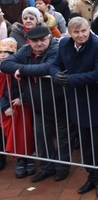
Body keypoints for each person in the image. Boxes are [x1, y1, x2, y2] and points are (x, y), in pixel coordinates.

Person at [51, 17, 98, 198]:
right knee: (84, 144)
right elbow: (54, 64)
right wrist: (56, 76)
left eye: (83, 31)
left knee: (97, 144)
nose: (80, 35)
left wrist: (70, 80)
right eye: (76, 32)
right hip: (76, 100)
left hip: (95, 100)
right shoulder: (64, 45)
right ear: (70, 33)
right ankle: (91, 176)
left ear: (88, 30)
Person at [0, 26, 66, 182]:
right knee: (42, 137)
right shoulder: (25, 50)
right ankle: (47, 167)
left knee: (63, 138)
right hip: (37, 104)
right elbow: (5, 64)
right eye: (35, 41)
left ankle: (62, 167)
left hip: (59, 102)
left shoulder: (57, 48)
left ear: (49, 37)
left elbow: (48, 67)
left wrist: (21, 70)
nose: (39, 44)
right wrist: (24, 69)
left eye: (43, 40)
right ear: (29, 41)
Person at [0, 38, 35, 179]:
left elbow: (28, 87)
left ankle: (29, 157)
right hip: (8, 109)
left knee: (27, 132)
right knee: (12, 135)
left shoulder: (19, 69)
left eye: (7, 52)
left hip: (23, 106)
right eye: (0, 52)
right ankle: (19, 159)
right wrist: (4, 107)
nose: (3, 55)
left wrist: (22, 98)